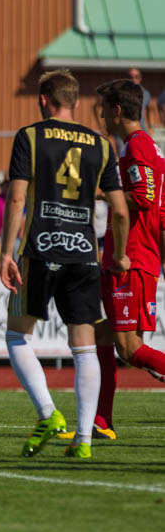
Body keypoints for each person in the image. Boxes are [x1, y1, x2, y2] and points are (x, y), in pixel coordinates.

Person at [0, 69, 129, 460]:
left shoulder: (31, 136)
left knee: (18, 336)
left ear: (44, 100)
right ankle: (84, 440)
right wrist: (120, 254)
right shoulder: (102, 144)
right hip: (83, 253)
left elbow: (18, 198)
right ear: (75, 101)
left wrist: (6, 252)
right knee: (84, 348)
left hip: (40, 248)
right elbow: (120, 210)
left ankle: (48, 414)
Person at [89, 78, 165, 440]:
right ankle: (101, 420)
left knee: (129, 348)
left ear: (117, 111)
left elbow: (144, 198)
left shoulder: (138, 147)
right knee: (100, 336)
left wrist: (102, 192)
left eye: (103, 108)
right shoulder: (143, 147)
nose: (100, 115)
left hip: (130, 259)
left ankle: (101, 419)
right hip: (133, 258)